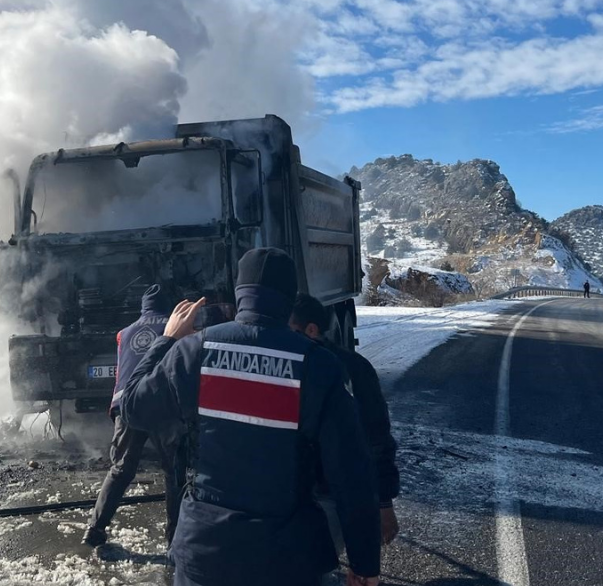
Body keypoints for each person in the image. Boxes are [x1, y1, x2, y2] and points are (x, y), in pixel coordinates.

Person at [122, 248, 381, 586]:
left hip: (205, 553)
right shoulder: (318, 365)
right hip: (285, 559)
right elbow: (351, 474)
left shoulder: (194, 351)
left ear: (239, 292)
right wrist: (364, 563)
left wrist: (167, 340)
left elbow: (132, 408)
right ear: (290, 297)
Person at [290, 293, 400, 552]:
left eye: (290, 330)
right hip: (296, 493)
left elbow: (377, 439)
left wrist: (384, 504)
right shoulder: (288, 365)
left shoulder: (353, 370)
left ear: (312, 330)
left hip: (330, 496)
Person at [84, 284, 185, 548]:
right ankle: (173, 539)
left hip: (126, 404)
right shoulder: (175, 327)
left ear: (143, 307)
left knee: (120, 469)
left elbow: (122, 373)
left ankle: (95, 529)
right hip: (160, 406)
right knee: (173, 471)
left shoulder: (124, 333)